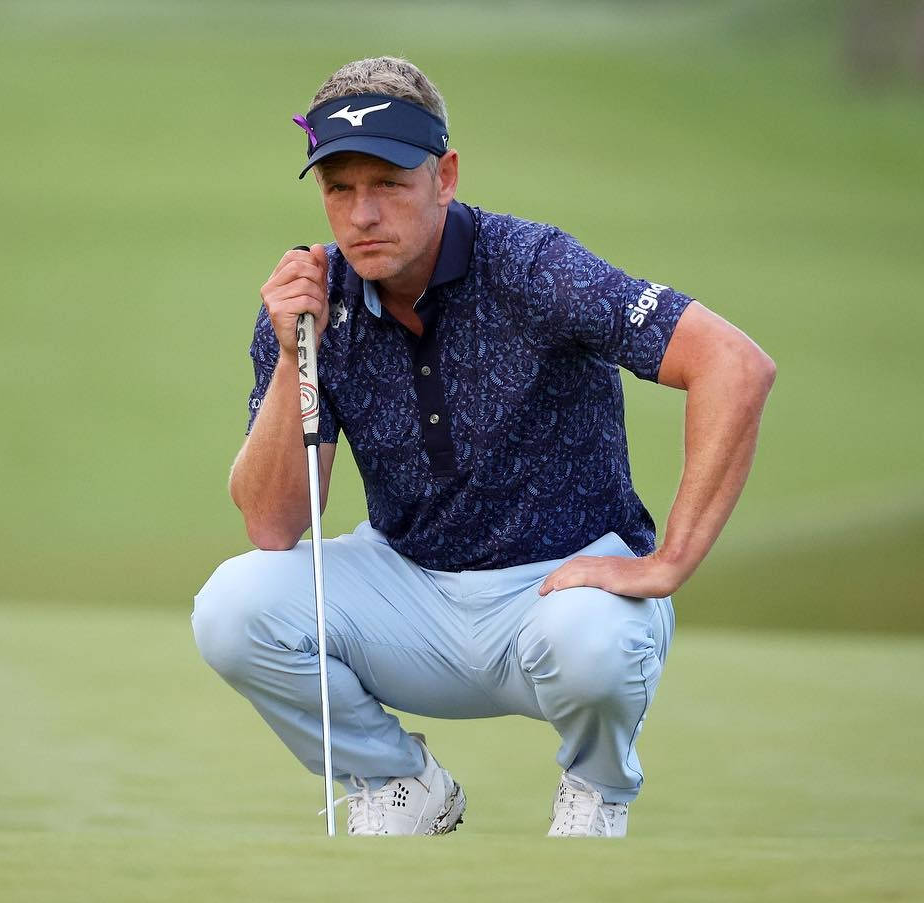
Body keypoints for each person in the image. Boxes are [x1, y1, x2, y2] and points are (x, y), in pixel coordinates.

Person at [191, 56, 776, 837]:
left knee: (595, 643)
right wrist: (300, 356)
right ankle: (404, 785)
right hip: (409, 591)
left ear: (446, 176)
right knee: (233, 607)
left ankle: (595, 792)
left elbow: (733, 363)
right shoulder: (309, 299)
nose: (362, 214)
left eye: (389, 184)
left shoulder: (533, 267)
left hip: (559, 598)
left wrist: (667, 563)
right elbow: (272, 527)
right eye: (339, 189)